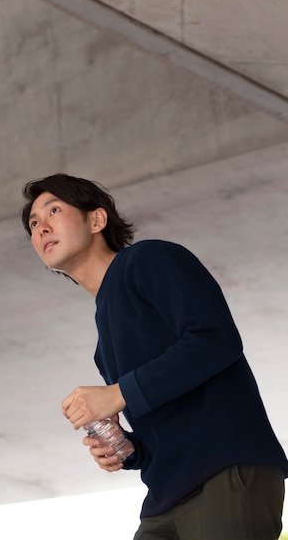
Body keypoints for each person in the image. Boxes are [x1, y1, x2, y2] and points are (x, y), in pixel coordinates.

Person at [21, 173, 287, 540]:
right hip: (165, 498)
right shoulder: (104, 340)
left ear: (96, 220)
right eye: (33, 224)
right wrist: (126, 449)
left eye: (54, 210)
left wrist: (117, 394)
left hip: (224, 470)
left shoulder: (149, 259)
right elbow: (159, 426)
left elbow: (215, 340)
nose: (41, 227)